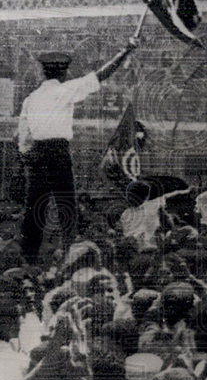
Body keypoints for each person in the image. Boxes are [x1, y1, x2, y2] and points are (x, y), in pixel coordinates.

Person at [18, 39, 139, 264]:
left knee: (34, 206)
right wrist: (125, 51)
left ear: (44, 73)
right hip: (57, 152)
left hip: (36, 152)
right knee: (67, 204)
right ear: (63, 74)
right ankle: (69, 253)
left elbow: (23, 136)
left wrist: (28, 157)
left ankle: (29, 258)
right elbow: (101, 75)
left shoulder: (31, 98)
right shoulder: (66, 90)